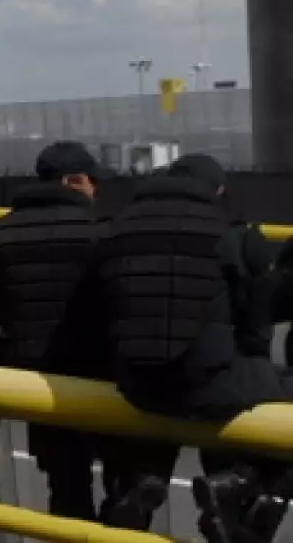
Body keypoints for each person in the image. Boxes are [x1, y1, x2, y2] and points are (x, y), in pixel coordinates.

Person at [98, 154, 293, 543]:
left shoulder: (118, 230)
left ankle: (143, 481)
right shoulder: (234, 234)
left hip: (132, 386)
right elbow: (255, 326)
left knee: (163, 406)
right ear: (219, 190)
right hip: (207, 382)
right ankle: (238, 487)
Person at [0, 141, 107, 521]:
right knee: (122, 473)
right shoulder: (105, 233)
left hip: (32, 374)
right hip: (99, 370)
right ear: (75, 181)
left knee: (66, 482)